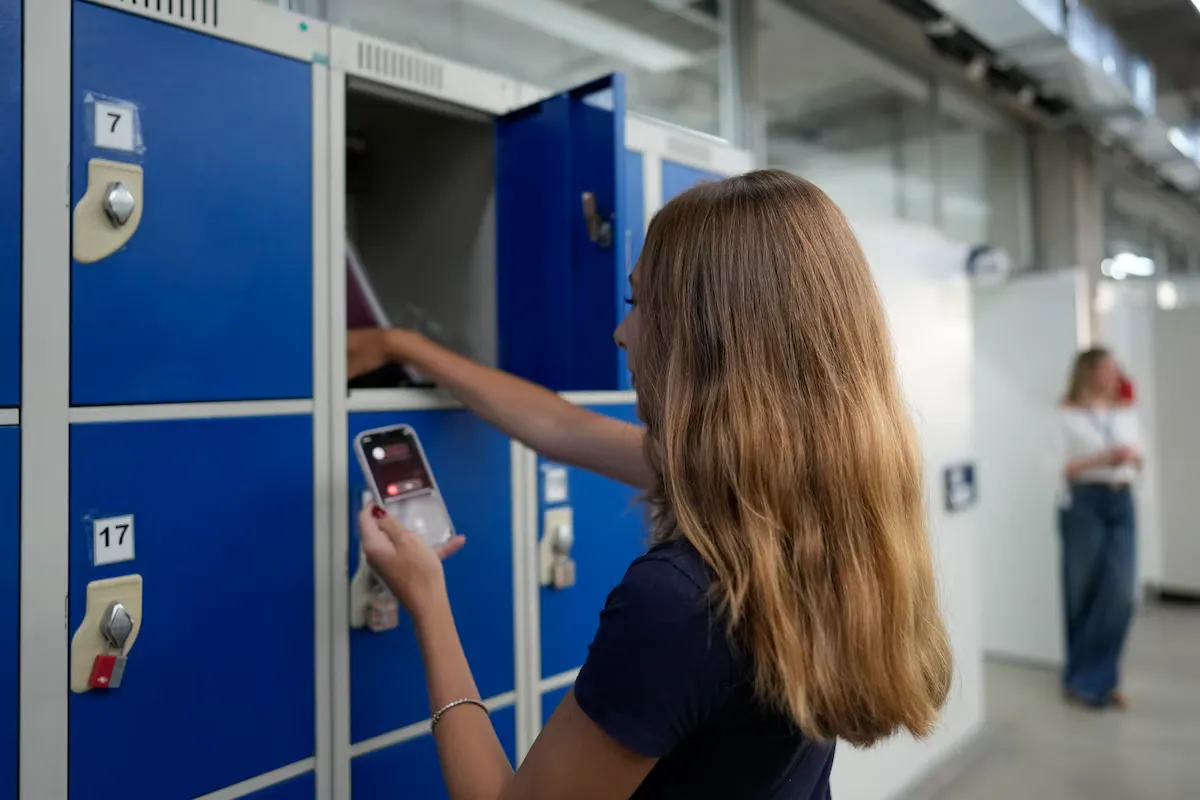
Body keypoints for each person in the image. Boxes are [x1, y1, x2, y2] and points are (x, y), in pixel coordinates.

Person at [354, 169, 953, 799]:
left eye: (639, 304)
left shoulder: (680, 602)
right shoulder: (814, 508)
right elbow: (560, 427)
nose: (621, 332)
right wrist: (406, 347)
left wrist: (427, 599)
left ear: (707, 337)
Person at [1054, 347, 1142, 710]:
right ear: (1088, 372)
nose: (1114, 376)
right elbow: (1060, 467)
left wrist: (1132, 458)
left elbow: (1140, 455)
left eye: (1116, 370)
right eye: (1108, 370)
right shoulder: (1065, 415)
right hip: (1084, 504)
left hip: (1121, 500)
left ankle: (1097, 678)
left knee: (1120, 595)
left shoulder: (1125, 412)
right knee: (1083, 594)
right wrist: (1105, 458)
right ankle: (1086, 681)